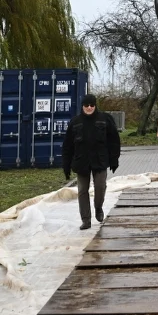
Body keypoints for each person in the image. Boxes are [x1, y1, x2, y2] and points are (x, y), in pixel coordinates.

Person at [61, 94, 121, 230]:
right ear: (82, 106)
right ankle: (86, 220)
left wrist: (114, 159)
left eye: (91, 105)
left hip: (100, 161)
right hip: (81, 162)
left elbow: (114, 141)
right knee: (82, 191)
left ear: (95, 105)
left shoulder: (105, 119)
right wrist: (66, 165)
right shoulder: (75, 122)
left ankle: (98, 208)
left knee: (100, 187)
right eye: (86, 105)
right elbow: (67, 146)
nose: (89, 108)